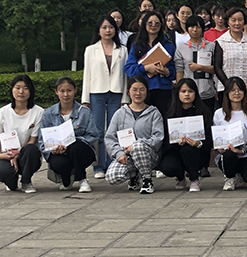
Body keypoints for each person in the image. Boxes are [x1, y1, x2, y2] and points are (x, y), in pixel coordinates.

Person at [82, 15, 128, 179]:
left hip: (116, 92)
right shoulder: (90, 49)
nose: (108, 30)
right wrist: (85, 99)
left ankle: (113, 162)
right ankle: (99, 166)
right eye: (104, 27)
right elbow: (87, 74)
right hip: (97, 92)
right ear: (98, 30)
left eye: (111, 27)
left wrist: (125, 97)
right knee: (98, 131)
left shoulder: (122, 49)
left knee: (115, 130)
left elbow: (125, 76)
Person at [105, 76, 165, 194]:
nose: (138, 93)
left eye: (142, 89)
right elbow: (109, 138)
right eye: (134, 90)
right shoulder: (120, 113)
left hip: (149, 155)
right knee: (113, 176)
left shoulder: (154, 113)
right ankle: (134, 176)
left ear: (147, 91)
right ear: (129, 92)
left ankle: (147, 180)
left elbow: (158, 137)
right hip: (127, 155)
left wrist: (137, 145)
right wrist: (118, 153)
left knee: (138, 147)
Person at [39, 77, 99, 193]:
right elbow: (42, 139)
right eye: (62, 91)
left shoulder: (84, 112)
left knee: (75, 147)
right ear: (56, 92)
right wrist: (53, 149)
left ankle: (82, 179)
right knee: (58, 164)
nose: (66, 94)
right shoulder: (48, 114)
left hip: (81, 150)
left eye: (69, 90)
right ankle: (66, 179)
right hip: (58, 152)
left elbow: (93, 135)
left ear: (75, 90)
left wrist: (72, 141)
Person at [159, 79, 212, 192]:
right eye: (183, 91)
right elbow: (165, 141)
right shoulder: (170, 113)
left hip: (197, 153)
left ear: (196, 93)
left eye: (190, 91)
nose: (187, 94)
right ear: (177, 93)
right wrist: (177, 142)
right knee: (168, 167)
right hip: (175, 151)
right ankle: (180, 178)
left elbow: (209, 139)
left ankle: (194, 179)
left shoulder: (204, 112)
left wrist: (199, 143)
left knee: (188, 149)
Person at [124, 11, 176, 119]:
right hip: (144, 89)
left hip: (164, 89)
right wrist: (145, 68)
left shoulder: (169, 45)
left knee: (164, 119)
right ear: (144, 24)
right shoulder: (137, 46)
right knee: (144, 120)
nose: (153, 25)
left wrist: (167, 71)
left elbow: (176, 70)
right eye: (150, 23)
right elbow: (129, 68)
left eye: (157, 23)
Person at [214, 77, 247, 191]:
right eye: (232, 90)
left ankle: (239, 176)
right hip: (227, 154)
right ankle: (230, 177)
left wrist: (241, 151)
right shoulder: (219, 114)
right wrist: (220, 148)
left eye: (239, 90)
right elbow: (216, 137)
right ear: (227, 93)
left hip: (246, 154)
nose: (236, 93)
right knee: (229, 155)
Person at [0, 75, 44, 193]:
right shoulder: (3, 112)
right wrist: (3, 155)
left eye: (25, 88)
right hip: (6, 155)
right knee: (4, 171)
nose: (21, 92)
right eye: (17, 87)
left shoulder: (38, 112)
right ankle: (11, 182)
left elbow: (32, 140)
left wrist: (17, 155)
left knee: (31, 149)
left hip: (26, 155)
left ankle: (26, 181)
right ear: (11, 89)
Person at [213, 7, 247, 107]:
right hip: (226, 89)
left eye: (240, 20)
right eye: (233, 20)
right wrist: (229, 85)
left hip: (246, 90)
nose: (237, 23)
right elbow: (217, 67)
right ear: (228, 22)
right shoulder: (221, 41)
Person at [174, 15, 216, 111]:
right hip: (188, 94)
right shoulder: (181, 48)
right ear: (187, 28)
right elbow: (179, 71)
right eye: (192, 27)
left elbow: (217, 68)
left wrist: (201, 67)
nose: (195, 30)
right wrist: (179, 90)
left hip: (207, 92)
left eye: (198, 27)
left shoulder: (211, 46)